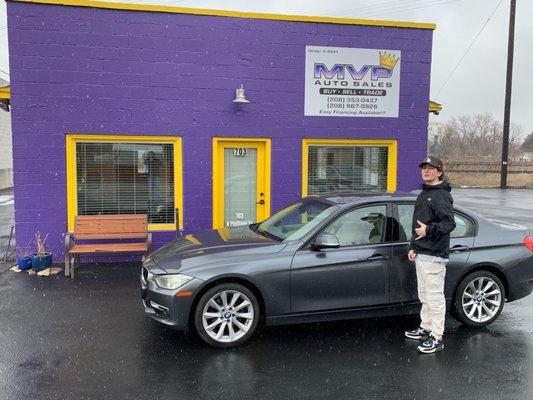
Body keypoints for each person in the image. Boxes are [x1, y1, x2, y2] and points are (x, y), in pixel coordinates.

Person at [404, 156, 456, 354]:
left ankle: (437, 337)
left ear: (439, 172)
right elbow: (417, 224)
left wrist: (429, 231)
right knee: (424, 295)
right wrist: (413, 246)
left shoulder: (441, 195)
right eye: (424, 168)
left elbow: (449, 223)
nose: (426, 171)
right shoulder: (425, 193)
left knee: (434, 297)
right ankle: (425, 328)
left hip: (434, 255)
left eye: (430, 168)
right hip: (422, 253)